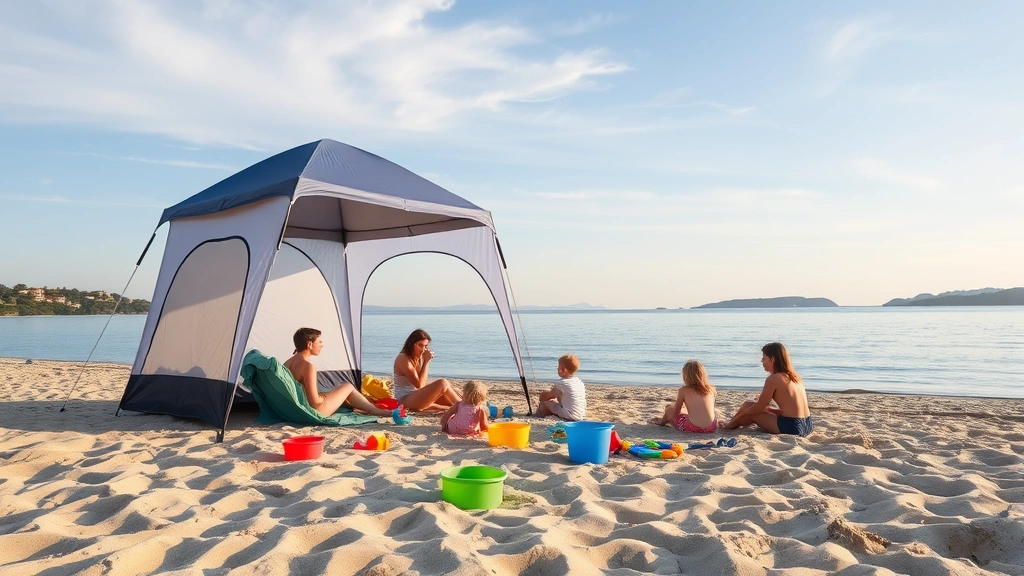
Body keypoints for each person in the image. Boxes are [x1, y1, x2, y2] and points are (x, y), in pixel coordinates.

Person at [283, 328, 393, 418]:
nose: (322, 345)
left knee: (338, 392)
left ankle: (367, 408)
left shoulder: (287, 363)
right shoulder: (308, 366)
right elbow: (315, 403)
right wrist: (324, 397)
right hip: (316, 411)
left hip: (296, 408)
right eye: (319, 342)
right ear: (310, 344)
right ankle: (377, 411)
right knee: (347, 387)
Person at [724, 342, 813, 436]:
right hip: (807, 424)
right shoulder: (795, 377)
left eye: (764, 358)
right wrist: (768, 409)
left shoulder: (774, 378)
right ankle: (733, 423)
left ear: (772, 359)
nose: (762, 362)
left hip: (792, 427)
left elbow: (758, 408)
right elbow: (792, 410)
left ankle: (729, 426)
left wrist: (738, 418)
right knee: (749, 405)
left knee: (748, 409)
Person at [393, 329, 461, 412]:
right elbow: (420, 385)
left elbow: (423, 382)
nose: (423, 349)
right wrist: (426, 362)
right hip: (405, 399)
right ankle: (463, 408)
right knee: (443, 383)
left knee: (454, 391)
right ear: (412, 344)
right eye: (420, 345)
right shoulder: (403, 359)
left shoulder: (419, 356)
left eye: (425, 346)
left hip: (417, 395)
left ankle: (460, 406)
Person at [651, 360, 718, 433]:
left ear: (685, 376)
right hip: (711, 427)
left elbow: (676, 413)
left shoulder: (683, 390)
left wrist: (667, 418)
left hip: (692, 428)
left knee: (669, 408)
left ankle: (662, 422)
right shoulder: (711, 389)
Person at [535, 354, 587, 420]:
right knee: (556, 402)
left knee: (545, 402)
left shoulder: (562, 383)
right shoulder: (579, 382)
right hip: (579, 414)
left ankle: (539, 415)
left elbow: (546, 397)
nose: (557, 368)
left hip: (569, 415)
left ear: (563, 370)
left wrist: (546, 392)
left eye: (558, 366)